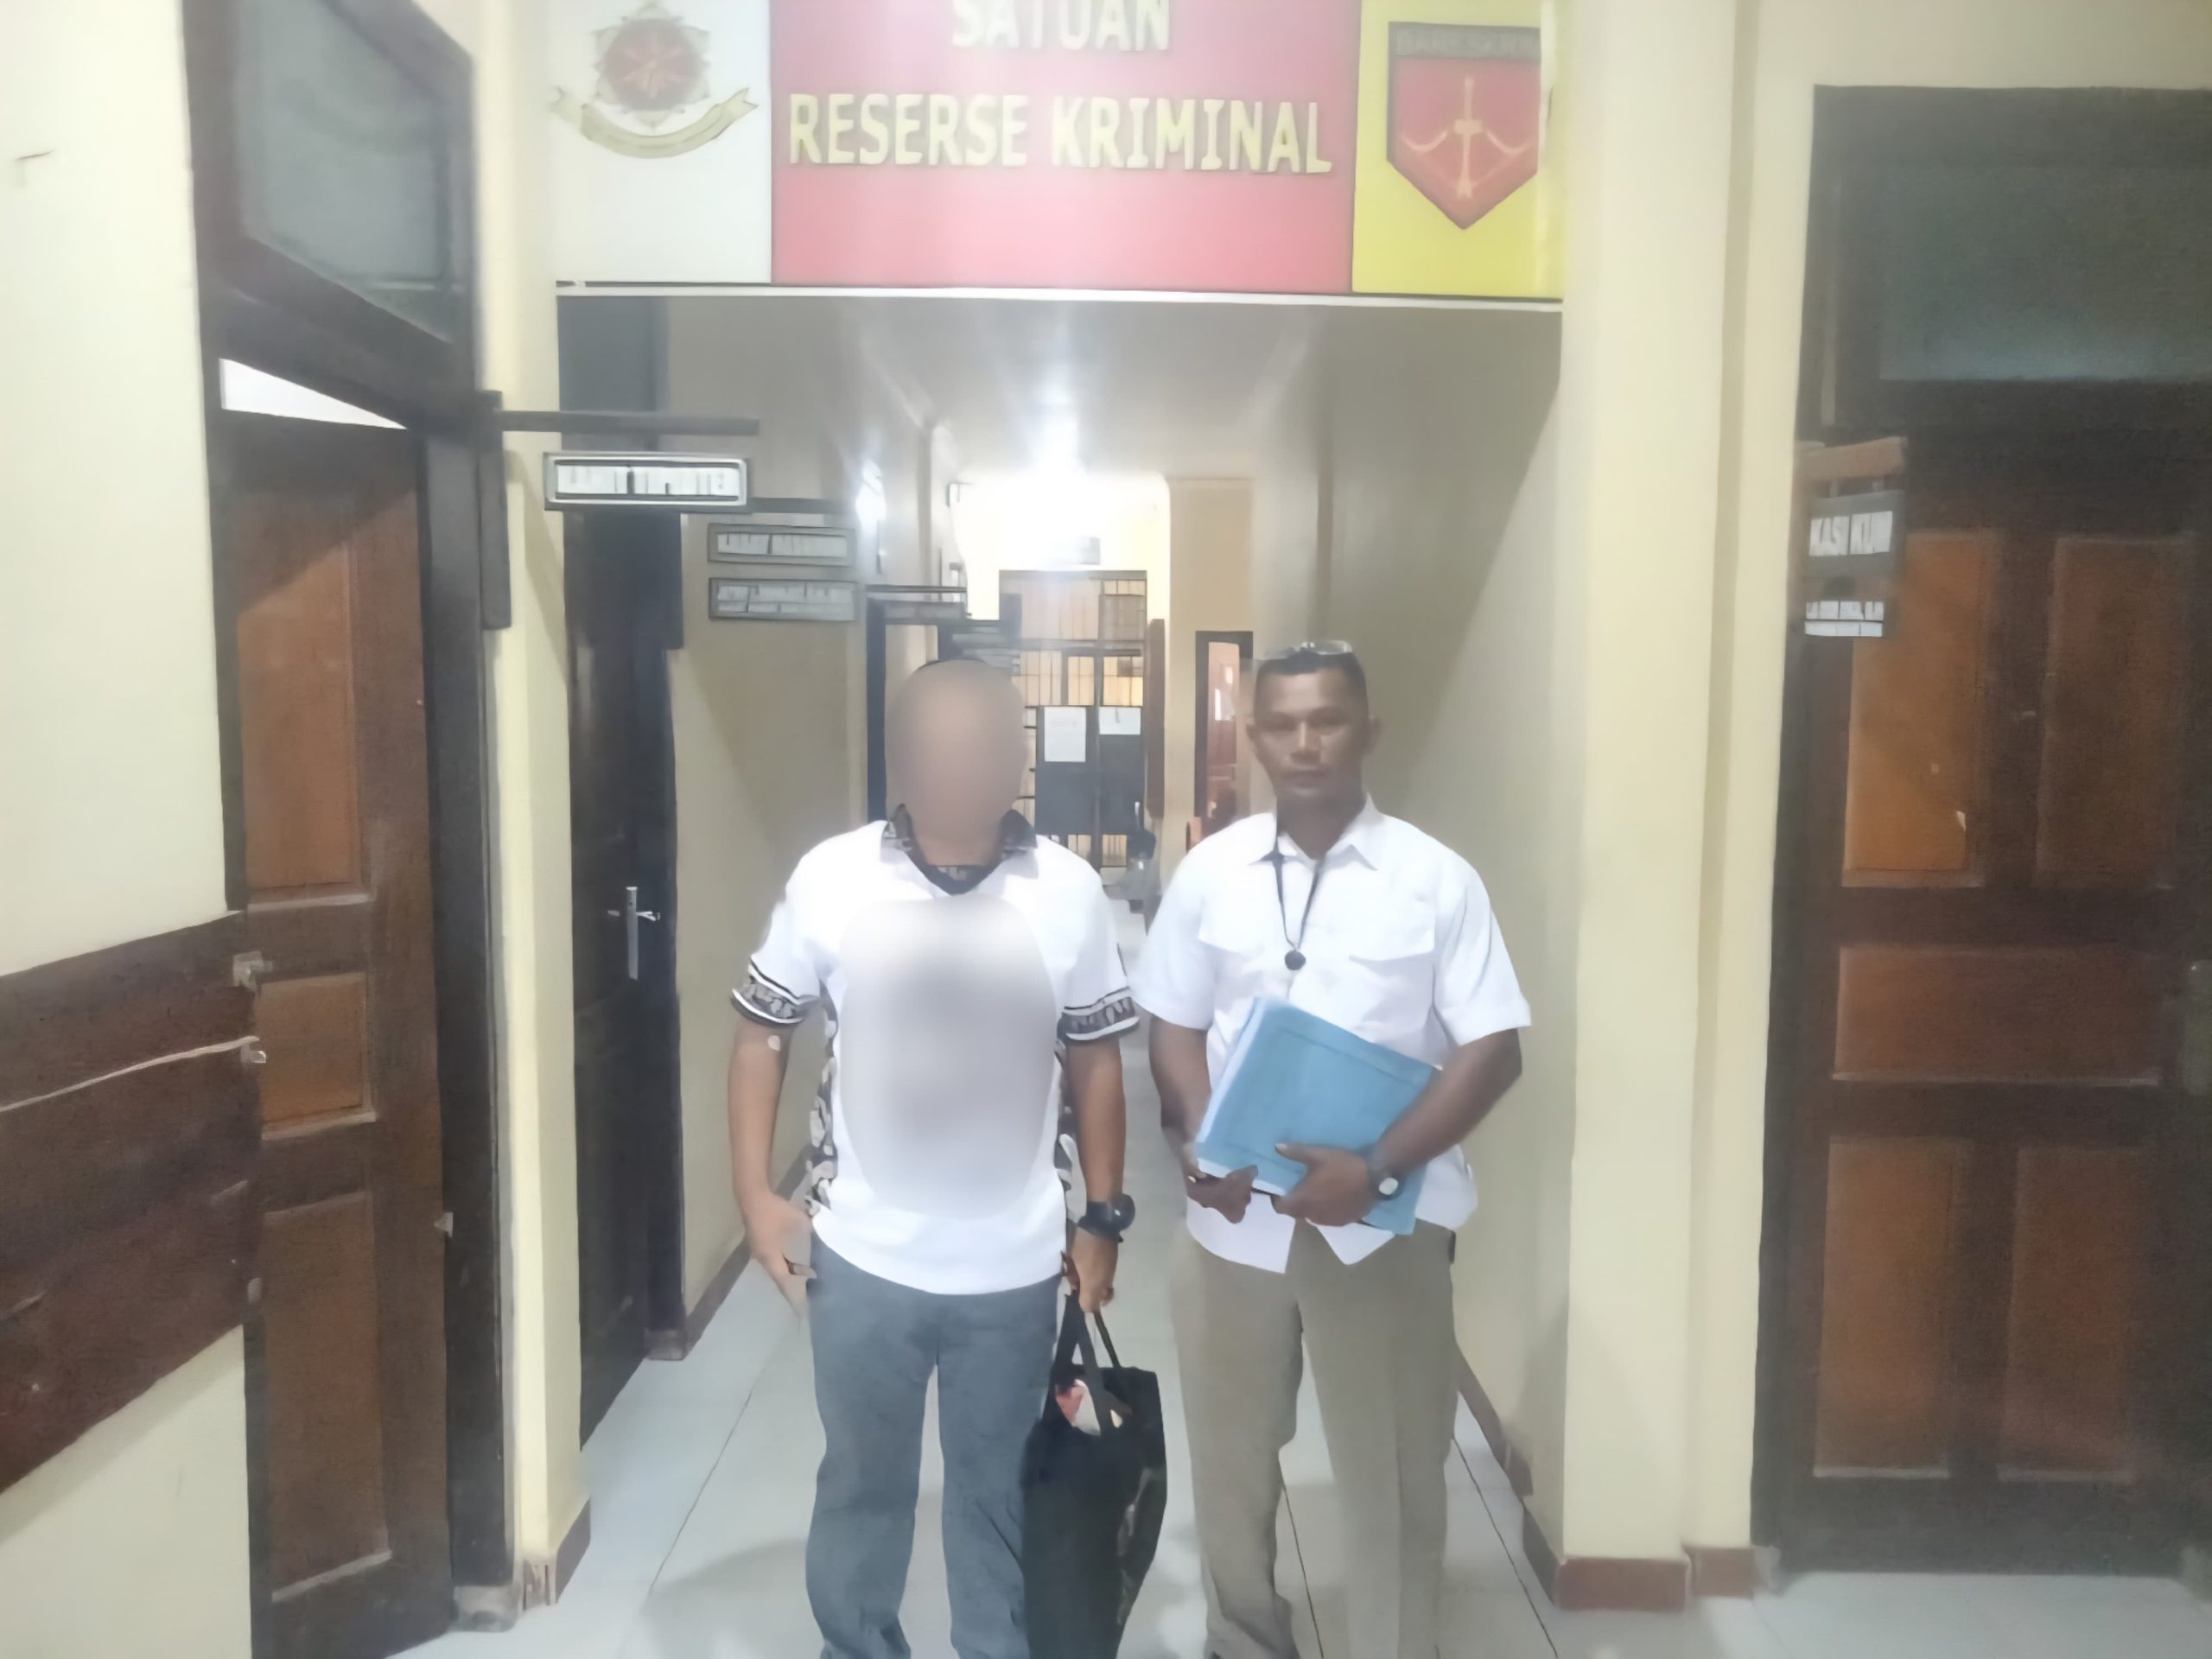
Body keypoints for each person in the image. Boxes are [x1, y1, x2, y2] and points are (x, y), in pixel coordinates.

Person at [727, 658, 1139, 1659]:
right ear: (898, 763)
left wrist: (1103, 1216)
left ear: (1018, 758)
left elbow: (1095, 1062)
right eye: (935, 751)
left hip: (1012, 1266)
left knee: (997, 1488)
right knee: (861, 1482)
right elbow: (761, 1034)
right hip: (863, 1262)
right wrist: (753, 1198)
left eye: (982, 748)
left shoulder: (1069, 891)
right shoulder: (832, 878)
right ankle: (857, 1643)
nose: (960, 771)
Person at [1131, 642, 1529, 1659]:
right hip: (1232, 1231)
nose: (1303, 742)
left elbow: (1493, 1051)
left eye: (1327, 720)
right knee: (1229, 1463)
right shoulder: (1211, 873)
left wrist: (1379, 1167)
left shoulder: (1434, 880)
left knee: (1392, 1469)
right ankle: (1243, 1638)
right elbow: (1173, 1024)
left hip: (1383, 1226)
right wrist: (1196, 1136)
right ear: (1255, 738)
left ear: (1368, 732)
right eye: (1281, 724)